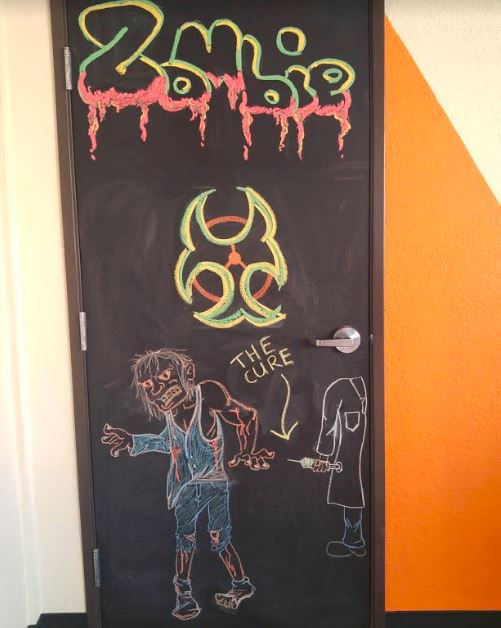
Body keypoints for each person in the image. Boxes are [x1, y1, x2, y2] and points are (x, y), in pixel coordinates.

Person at [102, 348, 274, 620]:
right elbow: (166, 442)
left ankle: (240, 583)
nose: (158, 390)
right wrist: (131, 440)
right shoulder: (172, 414)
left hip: (215, 484)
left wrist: (247, 452)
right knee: (185, 539)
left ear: (189, 373)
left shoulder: (208, 395)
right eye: (149, 387)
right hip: (185, 488)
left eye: (165, 377)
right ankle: (183, 593)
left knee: (219, 538)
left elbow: (246, 417)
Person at [313, 376, 367, 558]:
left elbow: (328, 422)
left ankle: (354, 540)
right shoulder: (354, 387)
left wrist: (323, 456)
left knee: (351, 484)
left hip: (351, 452)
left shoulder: (339, 388)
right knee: (353, 483)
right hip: (360, 454)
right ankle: (354, 539)